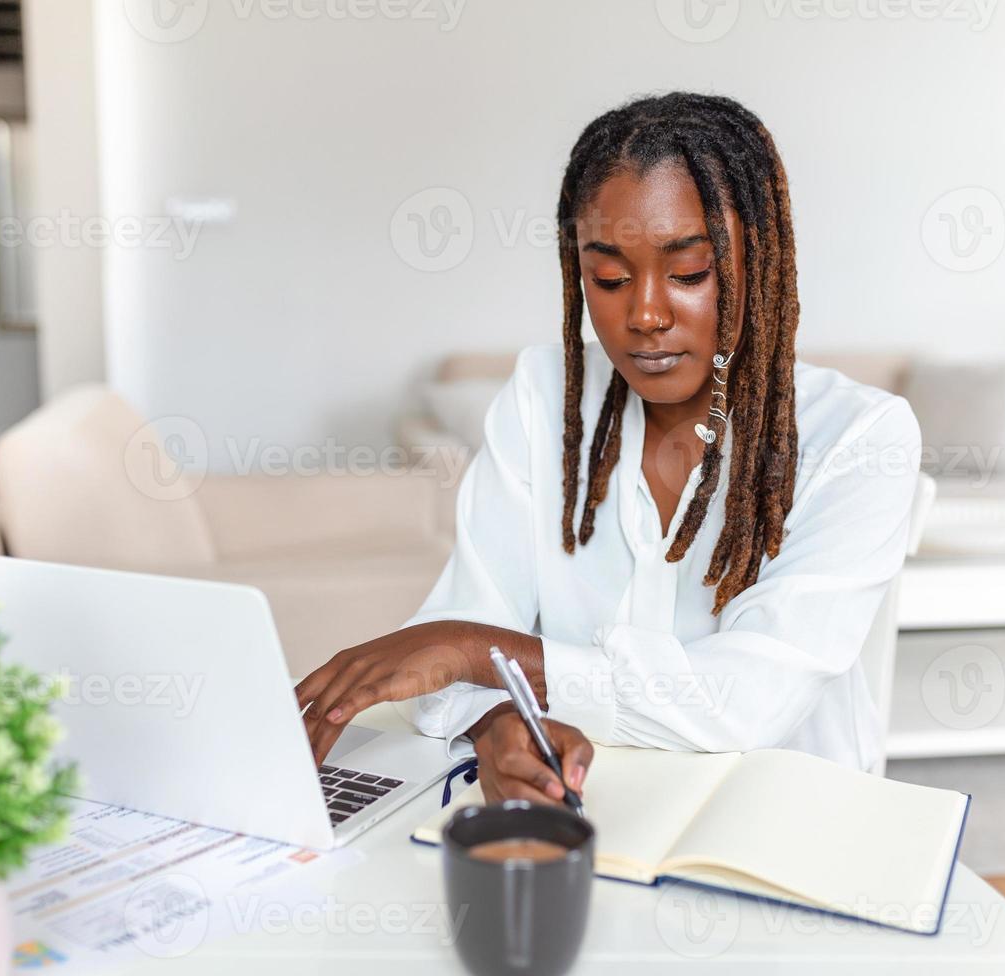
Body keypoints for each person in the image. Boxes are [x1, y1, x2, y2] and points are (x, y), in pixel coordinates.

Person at [295, 91, 921, 809]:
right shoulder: (541, 398)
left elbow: (749, 700)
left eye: (689, 273)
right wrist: (503, 721)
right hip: (597, 809)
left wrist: (479, 654)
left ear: (762, 258)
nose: (645, 315)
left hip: (783, 822)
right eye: (610, 278)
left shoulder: (862, 436)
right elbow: (447, 675)